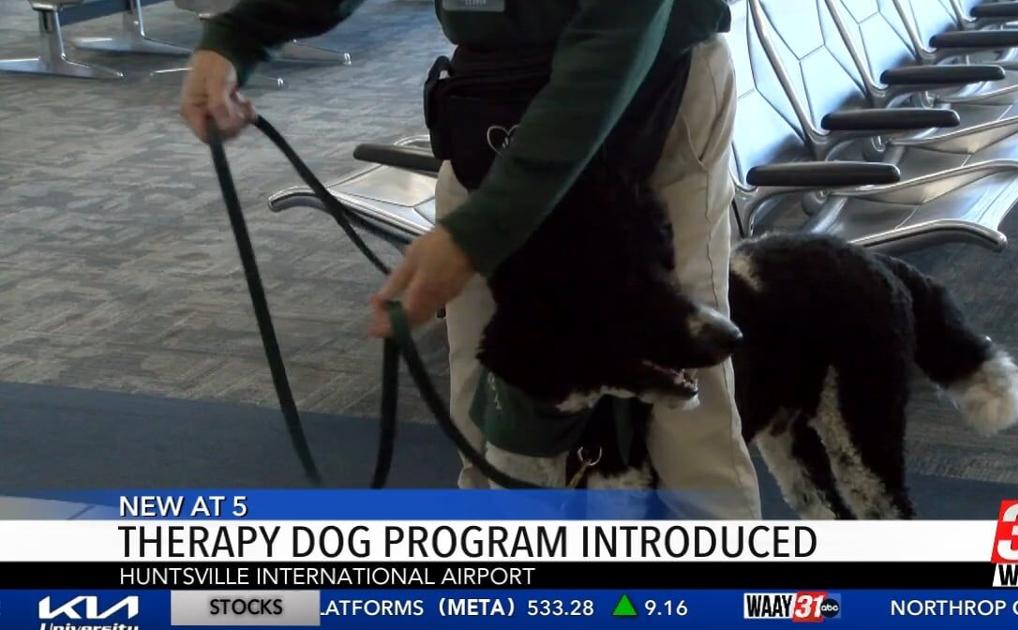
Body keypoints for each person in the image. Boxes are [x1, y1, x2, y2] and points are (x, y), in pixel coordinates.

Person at [179, 0, 761, 519]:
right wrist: (239, 36)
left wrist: (478, 233)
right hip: (494, 93)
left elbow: (617, 36)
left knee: (684, 358)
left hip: (654, 84)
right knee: (481, 366)